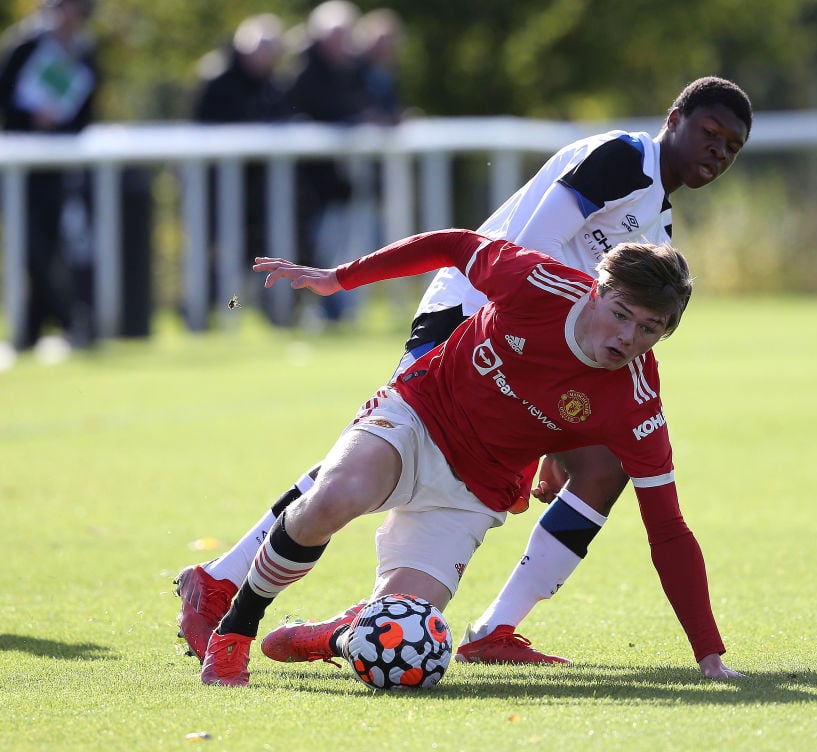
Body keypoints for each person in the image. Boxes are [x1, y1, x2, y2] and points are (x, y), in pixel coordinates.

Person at [175, 75, 752, 668]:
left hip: (548, 350)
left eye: (732, 147)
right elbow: (532, 242)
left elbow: (612, 327)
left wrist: (559, 420)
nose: (718, 151)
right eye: (710, 132)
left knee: (603, 465)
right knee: (375, 454)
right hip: (483, 313)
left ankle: (486, 627)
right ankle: (220, 581)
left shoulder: (658, 223)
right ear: (675, 116)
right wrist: (518, 348)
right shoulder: (626, 158)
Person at [200, 228, 741, 686]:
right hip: (418, 416)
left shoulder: (638, 399)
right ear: (597, 291)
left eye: (649, 330)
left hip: (473, 494)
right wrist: (340, 278)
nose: (627, 337)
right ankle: (235, 632)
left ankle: (336, 634)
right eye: (621, 314)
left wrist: (709, 656)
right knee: (335, 497)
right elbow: (455, 245)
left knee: (406, 637)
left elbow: (668, 529)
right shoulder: (537, 283)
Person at [0, 0, 98, 351]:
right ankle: (66, 319)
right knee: (33, 248)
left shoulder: (83, 52)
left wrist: (59, 121)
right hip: (20, 169)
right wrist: (32, 118)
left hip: (60, 171)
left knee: (52, 248)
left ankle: (34, 333)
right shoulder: (24, 46)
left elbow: (87, 110)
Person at [193, 13, 286, 325]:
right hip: (215, 187)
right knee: (213, 254)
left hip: (256, 189)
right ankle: (202, 314)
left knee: (256, 253)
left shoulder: (272, 85)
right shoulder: (217, 78)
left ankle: (258, 311)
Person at [284, 0, 371, 326]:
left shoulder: (350, 71)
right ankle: (311, 311)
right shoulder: (305, 72)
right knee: (314, 248)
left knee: (341, 246)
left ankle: (334, 311)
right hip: (308, 185)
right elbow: (324, 111)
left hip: (337, 184)